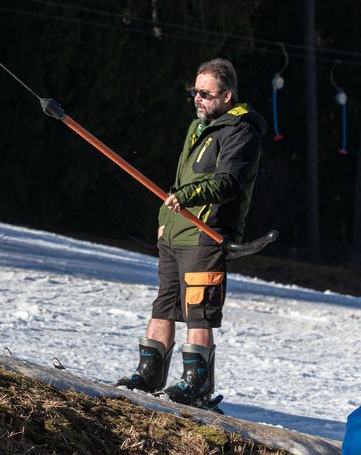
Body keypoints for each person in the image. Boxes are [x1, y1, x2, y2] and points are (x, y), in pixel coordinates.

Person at [116, 58, 267, 408]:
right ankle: (149, 374)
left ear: (227, 95)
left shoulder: (241, 132)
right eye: (193, 91)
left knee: (199, 310)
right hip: (175, 234)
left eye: (205, 93)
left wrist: (184, 198)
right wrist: (165, 218)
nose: (197, 98)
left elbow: (227, 183)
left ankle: (195, 384)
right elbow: (180, 182)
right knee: (164, 305)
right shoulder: (197, 128)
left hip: (206, 233)